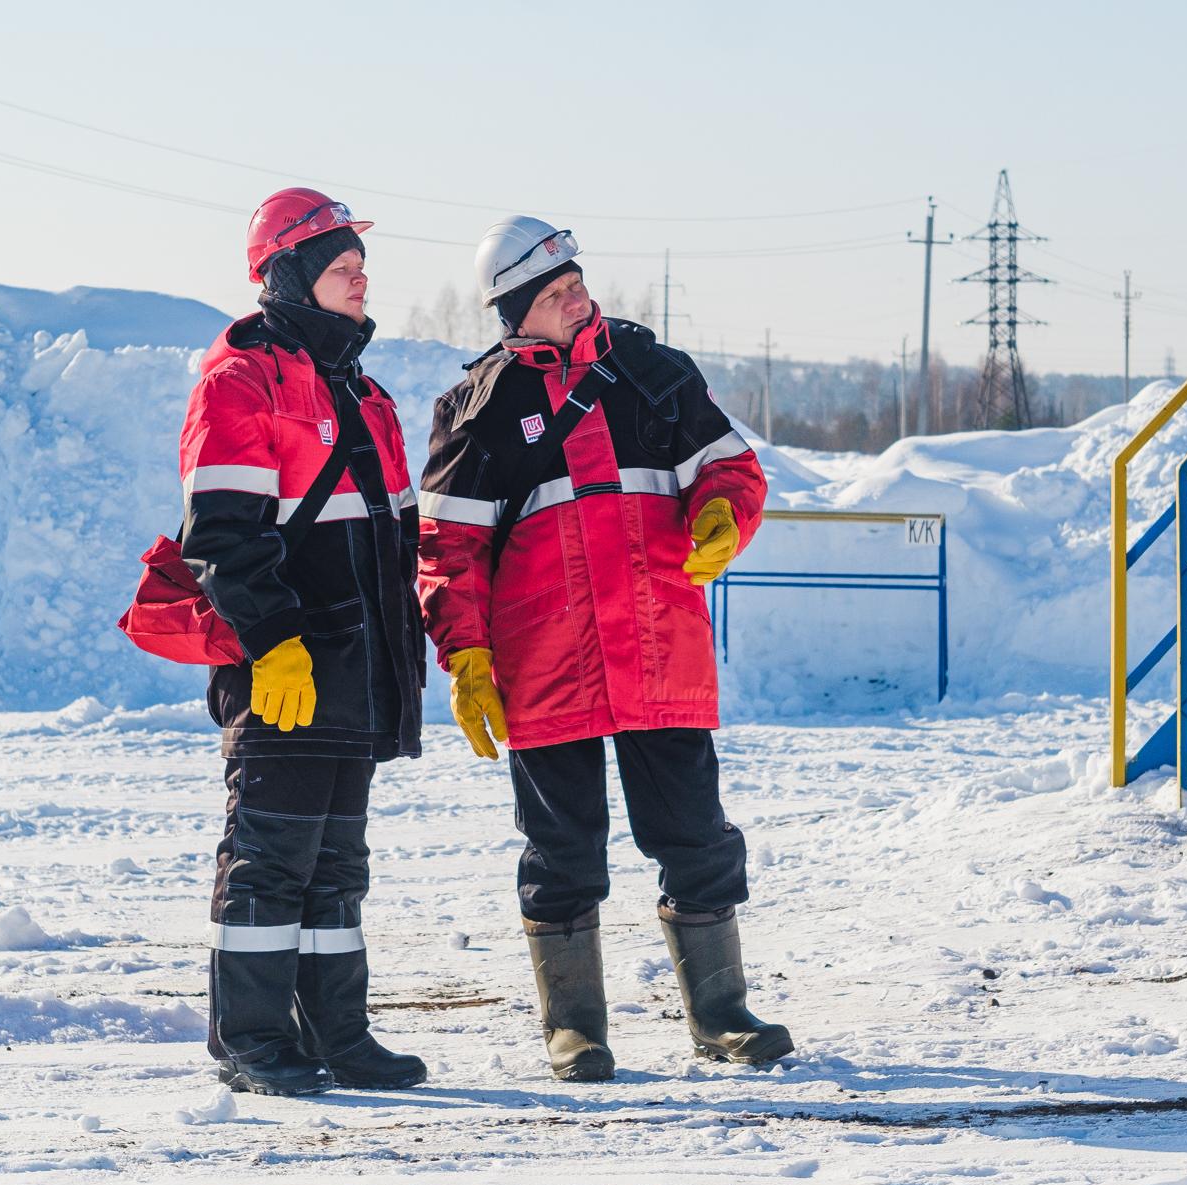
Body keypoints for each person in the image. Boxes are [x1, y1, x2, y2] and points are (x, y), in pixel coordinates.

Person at [416, 217, 792, 1082]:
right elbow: (448, 553)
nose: (576, 296)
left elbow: (732, 469)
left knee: (695, 835)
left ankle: (722, 1014)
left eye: (576, 279)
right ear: (515, 314)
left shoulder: (653, 372)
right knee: (560, 851)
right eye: (554, 292)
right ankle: (574, 1029)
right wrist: (465, 657)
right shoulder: (475, 410)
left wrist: (722, 514)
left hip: (659, 652)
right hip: (545, 665)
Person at [178, 187, 425, 1096]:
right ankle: (249, 1038)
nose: (362, 281)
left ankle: (336, 1032)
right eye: (341, 268)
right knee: (270, 859)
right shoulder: (240, 380)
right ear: (289, 276)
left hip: (359, 672)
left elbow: (396, 541)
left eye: (362, 268)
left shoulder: (363, 391)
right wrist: (274, 641)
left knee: (335, 867)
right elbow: (224, 535)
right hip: (287, 671)